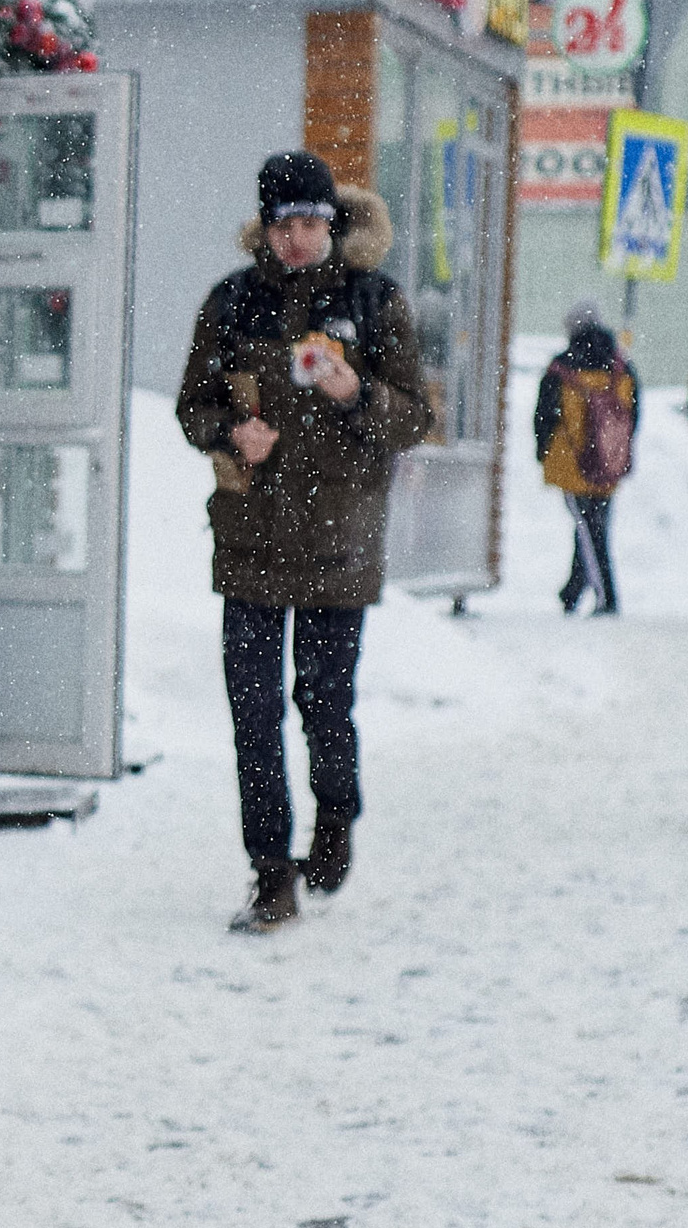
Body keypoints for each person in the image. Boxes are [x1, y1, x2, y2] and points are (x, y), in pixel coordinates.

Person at [176, 151, 432, 931]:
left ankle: (335, 819)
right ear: (268, 227)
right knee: (252, 713)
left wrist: (358, 393)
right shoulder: (232, 302)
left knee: (325, 703)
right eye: (285, 224)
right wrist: (230, 430)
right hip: (250, 539)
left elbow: (415, 417)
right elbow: (193, 406)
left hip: (338, 543)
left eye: (312, 223)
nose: (298, 239)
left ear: (334, 222)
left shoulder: (374, 300)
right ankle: (268, 869)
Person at [535, 299, 640, 616]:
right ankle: (573, 590)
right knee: (593, 525)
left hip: (572, 458)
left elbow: (544, 417)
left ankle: (606, 596)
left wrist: (543, 452)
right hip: (609, 459)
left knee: (587, 528)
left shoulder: (561, 367)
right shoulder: (621, 365)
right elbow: (634, 413)